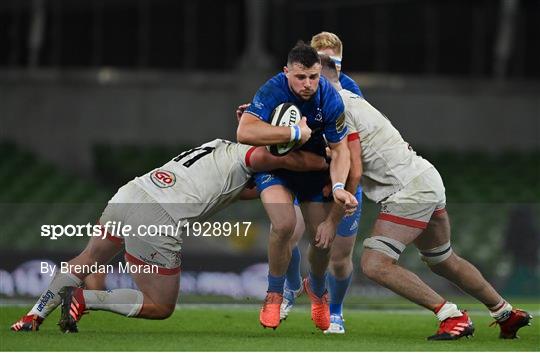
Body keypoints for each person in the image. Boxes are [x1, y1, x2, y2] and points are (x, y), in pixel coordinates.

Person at [10, 139, 329, 332]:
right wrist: (323, 158)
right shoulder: (255, 158)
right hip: (160, 214)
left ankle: (32, 316)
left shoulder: (218, 146)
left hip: (132, 192)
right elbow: (283, 159)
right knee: (160, 305)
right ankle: (84, 298)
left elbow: (240, 190)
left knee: (88, 258)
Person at [318, 55, 533, 340]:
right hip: (425, 178)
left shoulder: (340, 107)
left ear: (325, 79)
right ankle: (505, 312)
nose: (307, 85)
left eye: (312, 77)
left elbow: (351, 165)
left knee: (374, 264)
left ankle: (451, 316)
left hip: (408, 189)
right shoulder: (348, 102)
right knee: (444, 260)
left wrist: (333, 208)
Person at [237, 41, 358, 331]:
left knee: (321, 242)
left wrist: (339, 185)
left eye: (313, 77)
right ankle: (274, 294)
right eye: (300, 77)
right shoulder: (272, 89)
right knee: (283, 224)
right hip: (277, 168)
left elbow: (340, 151)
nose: (308, 84)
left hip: (314, 171)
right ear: (286, 72)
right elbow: (244, 131)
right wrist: (294, 132)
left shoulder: (329, 98)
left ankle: (318, 291)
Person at [279, 31, 365, 335]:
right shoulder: (295, 86)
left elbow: (353, 148)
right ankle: (291, 287)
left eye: (333, 61)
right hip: (306, 175)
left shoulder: (350, 91)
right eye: (322, 60)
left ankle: (336, 311)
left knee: (339, 259)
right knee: (287, 231)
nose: (327, 67)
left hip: (340, 178)